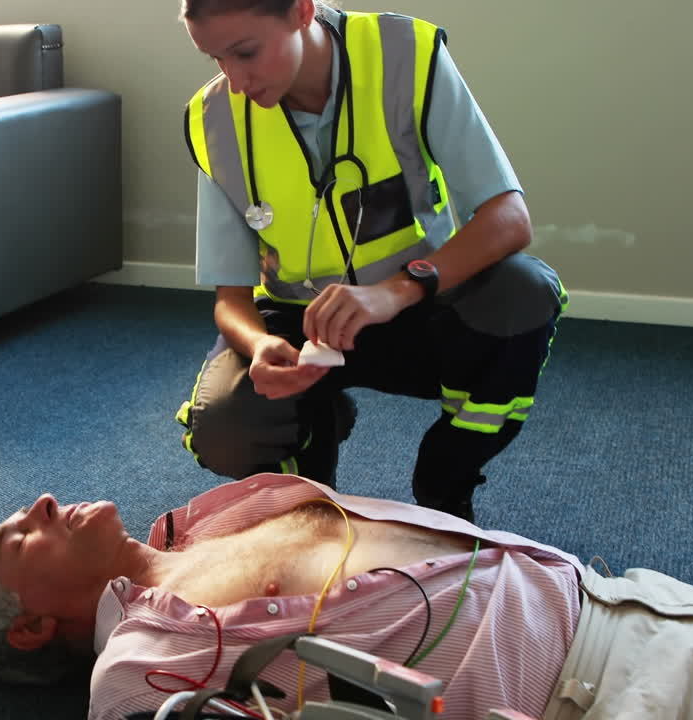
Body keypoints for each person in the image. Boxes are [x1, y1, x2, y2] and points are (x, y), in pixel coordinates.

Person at [0, 474, 693, 720]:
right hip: (609, 690)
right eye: (17, 537)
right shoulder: (137, 668)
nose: (43, 506)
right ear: (30, 629)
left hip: (632, 606)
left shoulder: (209, 522)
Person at [171, 0, 568, 521]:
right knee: (224, 425)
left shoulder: (405, 56)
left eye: (245, 52)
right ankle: (311, 475)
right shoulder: (214, 120)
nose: (236, 81)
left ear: (301, 11)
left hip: (421, 306)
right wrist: (260, 344)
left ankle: (446, 479)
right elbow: (231, 299)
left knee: (525, 293)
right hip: (300, 327)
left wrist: (397, 290)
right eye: (215, 59)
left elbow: (509, 217)